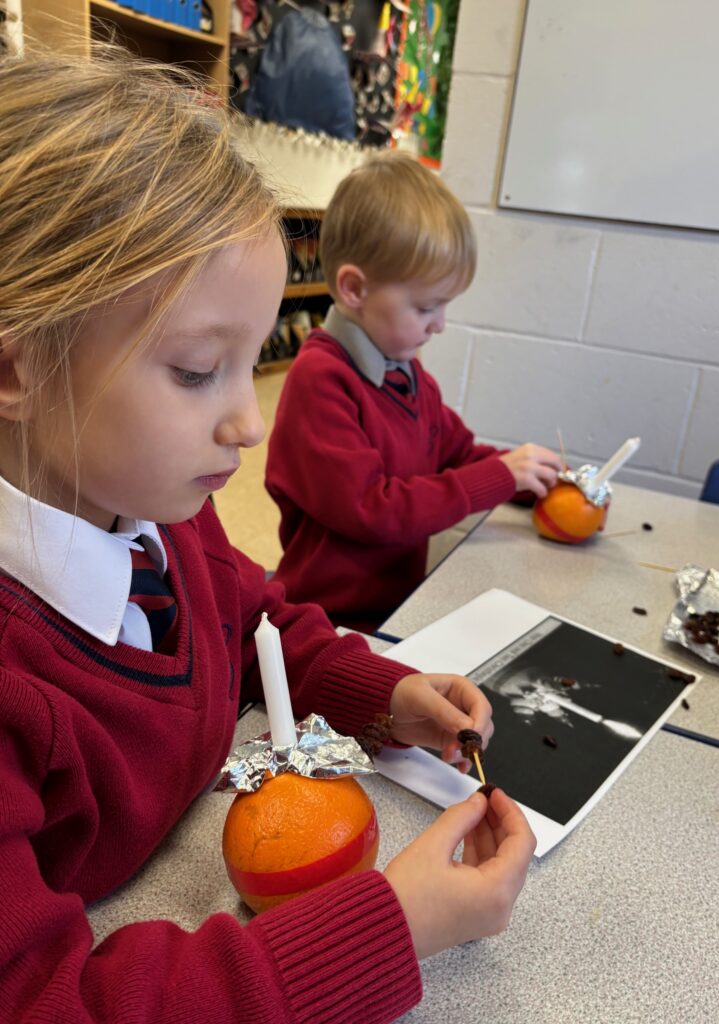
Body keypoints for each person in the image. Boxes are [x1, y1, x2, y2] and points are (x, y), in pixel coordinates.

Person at [0, 44, 536, 1023]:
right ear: (16, 369)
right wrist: (391, 928)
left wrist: (383, 691)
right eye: (201, 370)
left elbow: (255, 618)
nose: (250, 423)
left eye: (254, 365)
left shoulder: (167, 511)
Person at [265, 153, 565, 632]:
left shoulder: (407, 374)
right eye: (427, 307)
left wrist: (531, 479)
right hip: (331, 621)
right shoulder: (320, 380)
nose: (441, 324)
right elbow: (373, 509)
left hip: (398, 605)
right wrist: (497, 478)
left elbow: (459, 453)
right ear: (354, 289)